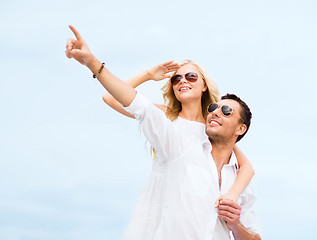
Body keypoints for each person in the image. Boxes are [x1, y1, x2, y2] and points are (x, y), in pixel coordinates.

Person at [65, 25, 260, 239]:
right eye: (176, 79)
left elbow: (244, 165)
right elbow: (113, 98)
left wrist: (232, 196)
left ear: (204, 85)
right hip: (163, 201)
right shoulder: (167, 117)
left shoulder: (211, 128)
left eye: (191, 76)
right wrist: (148, 74)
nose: (182, 81)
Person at [206, 94, 261, 239]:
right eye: (212, 108)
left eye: (226, 110)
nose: (215, 112)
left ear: (240, 129)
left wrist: (235, 224)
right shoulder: (184, 153)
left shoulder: (241, 179)